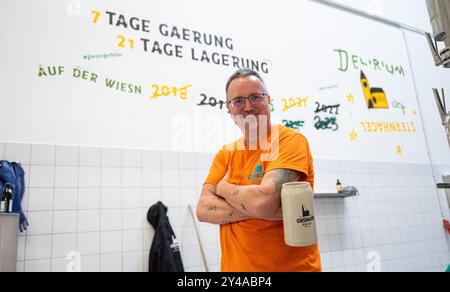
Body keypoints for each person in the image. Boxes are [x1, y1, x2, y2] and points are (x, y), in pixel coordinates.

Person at [196, 69, 322, 272]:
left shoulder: (288, 141)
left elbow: (263, 202)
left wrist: (224, 188)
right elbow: (203, 210)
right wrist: (265, 209)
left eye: (255, 97)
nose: (247, 107)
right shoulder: (225, 154)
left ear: (268, 100)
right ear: (229, 109)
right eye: (238, 101)